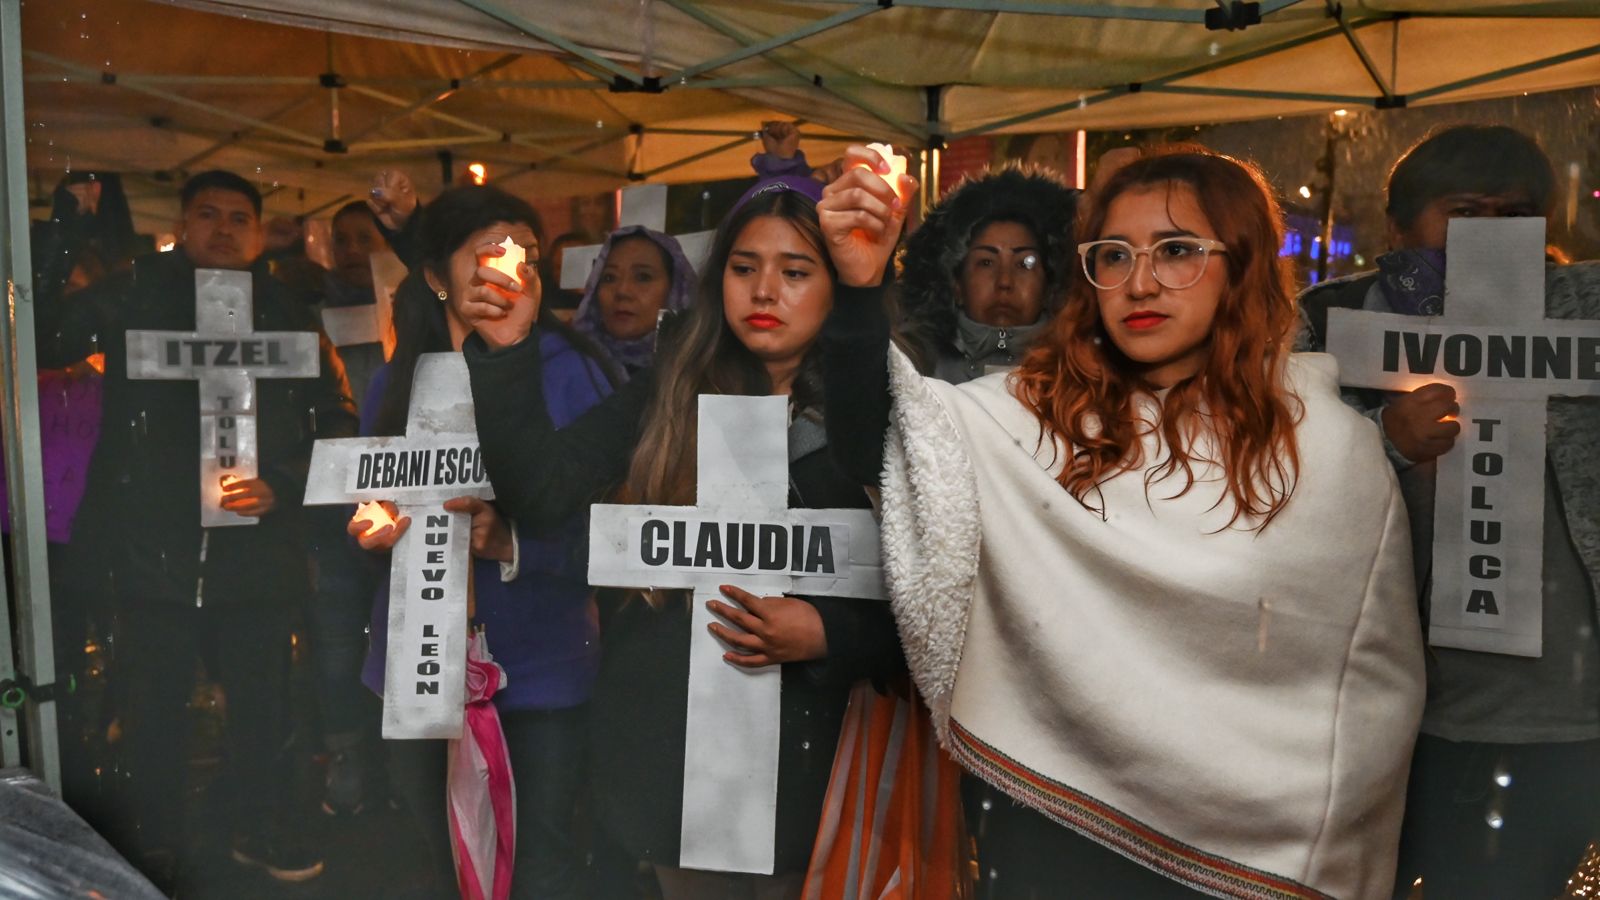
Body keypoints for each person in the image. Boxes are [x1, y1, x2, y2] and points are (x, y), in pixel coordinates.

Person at [817, 144, 1425, 899]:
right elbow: (880, 444)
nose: (1140, 282)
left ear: (1243, 263)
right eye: (1114, 255)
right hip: (1057, 829)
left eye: (1177, 252)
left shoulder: (1328, 447)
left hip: (1255, 867)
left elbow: (1361, 691)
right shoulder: (1031, 415)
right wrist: (857, 287)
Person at [458, 178, 906, 900]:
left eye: (795, 272)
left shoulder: (882, 405)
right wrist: (508, 352)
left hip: (823, 740)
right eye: (742, 267)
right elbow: (542, 490)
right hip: (673, 748)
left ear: (838, 283)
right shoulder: (669, 387)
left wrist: (829, 633)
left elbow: (931, 602)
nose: (764, 291)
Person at [1296, 124, 1600, 899]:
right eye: (1464, 213)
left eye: (1515, 215)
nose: (1491, 235)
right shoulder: (1330, 329)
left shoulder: (1584, 311)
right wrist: (1382, 443)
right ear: (1399, 228)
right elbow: (1278, 479)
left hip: (1571, 716)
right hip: (1403, 717)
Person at [34, 169, 358, 886]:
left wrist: (290, 481)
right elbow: (41, 335)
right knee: (151, 715)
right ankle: (152, 843)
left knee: (264, 715)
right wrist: (67, 230)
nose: (222, 227)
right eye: (206, 213)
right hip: (152, 553)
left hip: (258, 558)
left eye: (238, 216)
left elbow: (337, 415)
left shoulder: (286, 311)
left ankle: (261, 827)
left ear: (258, 229)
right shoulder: (134, 295)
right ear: (183, 222)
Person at [349, 184, 620, 900]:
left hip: (539, 667)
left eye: (525, 257)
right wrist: (371, 529)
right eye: (487, 256)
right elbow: (365, 495)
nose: (509, 272)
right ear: (435, 277)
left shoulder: (574, 372)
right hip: (415, 663)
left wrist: (515, 544)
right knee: (437, 861)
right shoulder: (394, 379)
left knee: (541, 865)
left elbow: (618, 534)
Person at [307, 200, 394, 817]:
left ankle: (397, 766)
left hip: (404, 507)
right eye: (343, 239)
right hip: (334, 511)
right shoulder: (308, 317)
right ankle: (349, 762)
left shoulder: (415, 315)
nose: (353, 248)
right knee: (339, 646)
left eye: (367, 237)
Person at [897, 166, 1077, 383]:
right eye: (986, 262)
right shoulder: (913, 364)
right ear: (956, 285)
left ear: (1050, 286)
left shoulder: (1078, 373)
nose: (1004, 281)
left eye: (1025, 263)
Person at [570, 226, 697, 374]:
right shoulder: (570, 368)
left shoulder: (700, 372)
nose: (622, 291)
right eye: (609, 277)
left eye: (643, 277)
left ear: (675, 290)